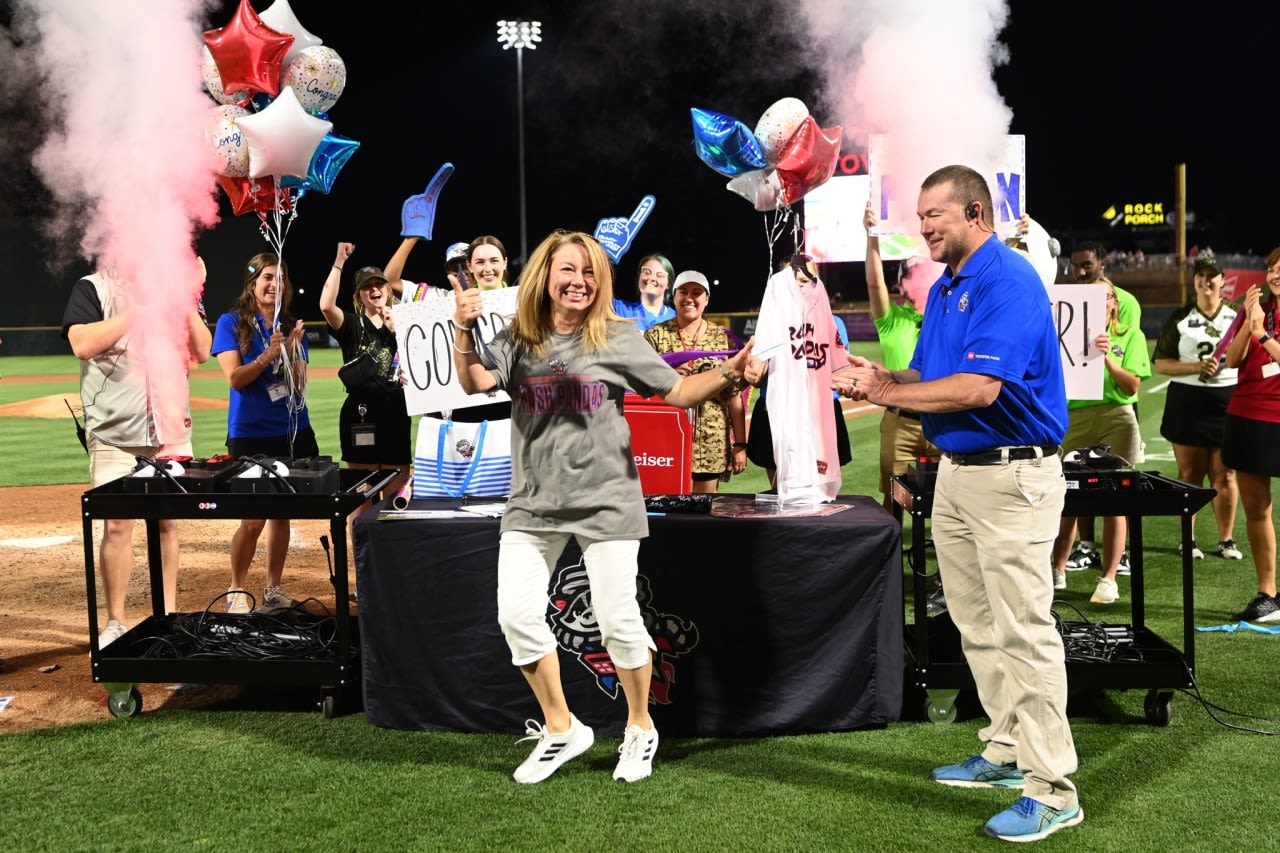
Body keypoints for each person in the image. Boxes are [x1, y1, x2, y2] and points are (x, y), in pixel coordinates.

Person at [450, 229, 755, 784]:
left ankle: (640, 728)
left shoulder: (617, 335)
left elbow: (679, 393)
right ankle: (562, 728)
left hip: (607, 499)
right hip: (533, 504)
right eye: (569, 270)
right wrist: (464, 327)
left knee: (618, 621)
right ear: (546, 275)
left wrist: (733, 369)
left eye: (590, 273)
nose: (579, 282)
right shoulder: (520, 335)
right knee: (515, 617)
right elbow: (474, 382)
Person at [835, 165, 1081, 842]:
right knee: (977, 624)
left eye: (933, 216)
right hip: (961, 476)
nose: (923, 228)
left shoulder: (1007, 278)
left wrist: (884, 398)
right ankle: (1004, 750)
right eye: (920, 217)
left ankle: (1053, 787)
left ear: (976, 212)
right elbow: (936, 376)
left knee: (1024, 632)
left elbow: (977, 389)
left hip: (1012, 478)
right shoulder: (946, 285)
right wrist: (889, 377)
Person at [63, 263, 212, 645]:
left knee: (167, 524)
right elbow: (81, 344)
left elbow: (202, 351)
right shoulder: (92, 287)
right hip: (115, 432)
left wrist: (184, 296)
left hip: (170, 430)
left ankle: (169, 614)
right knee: (117, 525)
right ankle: (115, 621)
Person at [211, 252, 316, 614]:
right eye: (268, 277)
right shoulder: (231, 323)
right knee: (253, 517)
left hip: (290, 429)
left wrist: (291, 355)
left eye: (281, 277)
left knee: (281, 513)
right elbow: (235, 380)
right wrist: (268, 356)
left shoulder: (289, 326)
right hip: (251, 432)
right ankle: (236, 588)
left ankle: (273, 589)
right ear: (252, 282)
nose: (274, 284)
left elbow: (299, 388)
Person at [1049, 281, 1150, 602]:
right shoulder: (1066, 333)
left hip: (1116, 416)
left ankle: (1109, 578)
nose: (1096, 303)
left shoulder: (1130, 336)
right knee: (1064, 496)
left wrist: (1106, 358)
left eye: (1102, 297)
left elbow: (1132, 386)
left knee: (1115, 499)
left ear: (1113, 304)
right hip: (1075, 415)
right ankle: (1057, 570)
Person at [1152, 259, 1240, 560]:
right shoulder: (1180, 318)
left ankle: (1226, 539)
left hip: (1227, 399)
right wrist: (1196, 366)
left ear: (1222, 281)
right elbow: (1161, 363)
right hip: (1188, 399)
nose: (1206, 281)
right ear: (1194, 282)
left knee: (1225, 474)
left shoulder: (1237, 317)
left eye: (1212, 276)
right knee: (1189, 474)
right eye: (1200, 276)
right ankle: (1187, 540)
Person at [1062, 241, 1142, 573]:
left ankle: (1119, 553)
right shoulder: (1066, 303)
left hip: (1114, 403)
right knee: (1076, 483)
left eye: (1087, 265)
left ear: (1103, 264)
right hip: (1078, 405)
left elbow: (1125, 340)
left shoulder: (1125, 302)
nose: (1081, 271)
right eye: (1076, 266)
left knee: (1115, 483)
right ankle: (1086, 546)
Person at [745, 254, 851, 494]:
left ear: (817, 283)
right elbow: (756, 374)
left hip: (821, 413)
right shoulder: (771, 321)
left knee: (822, 491)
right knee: (782, 489)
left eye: (806, 280)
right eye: (793, 280)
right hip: (779, 411)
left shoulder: (833, 323)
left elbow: (840, 375)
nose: (799, 286)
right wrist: (755, 372)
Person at [319, 242, 411, 511]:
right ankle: (361, 554)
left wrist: (397, 331)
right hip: (360, 415)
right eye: (366, 287)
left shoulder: (406, 324)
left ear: (388, 289)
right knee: (363, 498)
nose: (374, 290)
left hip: (395, 411)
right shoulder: (351, 326)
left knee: (395, 498)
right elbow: (326, 305)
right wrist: (339, 262)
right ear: (359, 295)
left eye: (379, 284)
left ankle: (391, 553)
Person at [643, 270, 747, 492]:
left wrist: (740, 444)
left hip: (710, 443)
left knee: (704, 518)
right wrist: (666, 376)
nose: (689, 298)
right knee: (667, 515)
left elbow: (734, 396)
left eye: (697, 292)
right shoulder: (655, 335)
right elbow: (641, 389)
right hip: (665, 442)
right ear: (674, 295)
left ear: (707, 299)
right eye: (683, 292)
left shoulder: (723, 338)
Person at [1220, 248, 1280, 623]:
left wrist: (1261, 333)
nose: (1275, 275)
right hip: (1247, 414)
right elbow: (1232, 360)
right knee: (1257, 510)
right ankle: (1268, 593)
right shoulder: (1254, 309)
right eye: (1273, 269)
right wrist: (1247, 323)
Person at [613, 253, 676, 331]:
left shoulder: (678, 320)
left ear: (668, 284)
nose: (652, 278)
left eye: (660, 275)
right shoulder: (619, 309)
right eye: (647, 272)